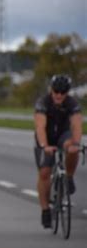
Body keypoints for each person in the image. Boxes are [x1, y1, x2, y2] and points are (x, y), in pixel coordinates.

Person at [34, 74, 83, 228]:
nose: (59, 95)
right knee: (44, 173)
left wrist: (76, 143)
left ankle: (68, 177)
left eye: (63, 92)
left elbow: (76, 126)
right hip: (46, 137)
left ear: (67, 92)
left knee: (73, 148)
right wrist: (44, 145)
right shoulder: (43, 102)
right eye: (56, 91)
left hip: (63, 135)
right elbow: (40, 127)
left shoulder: (72, 103)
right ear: (51, 89)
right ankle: (45, 210)